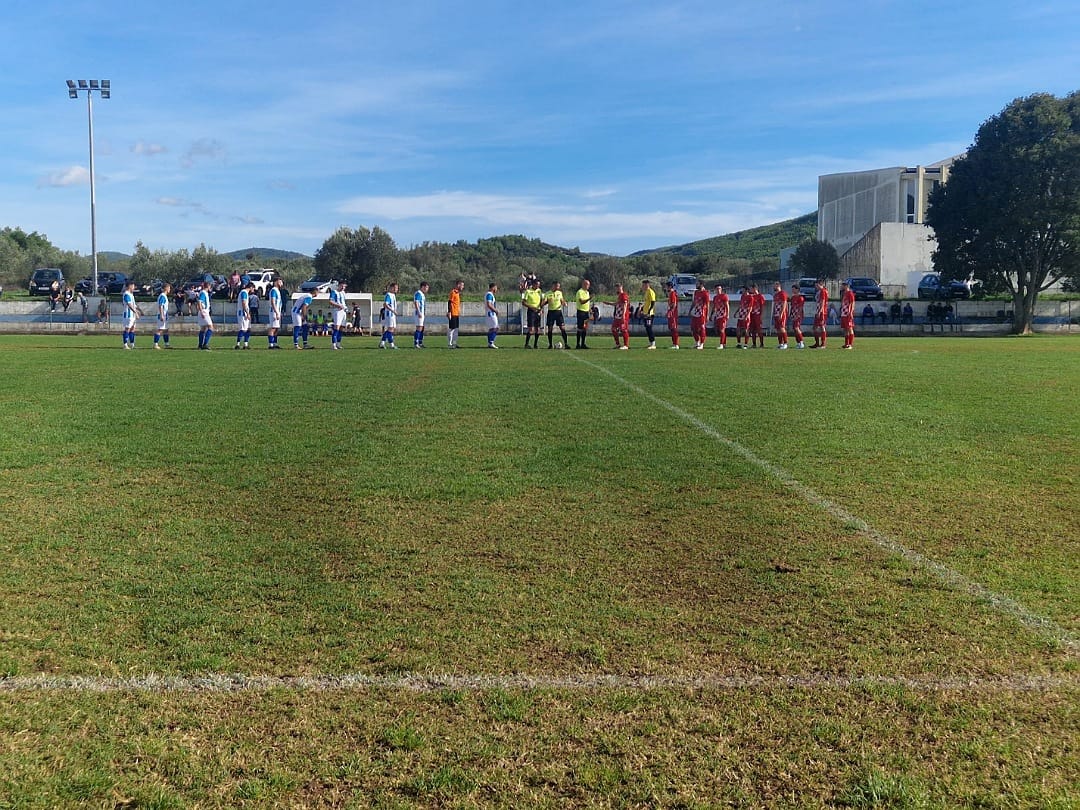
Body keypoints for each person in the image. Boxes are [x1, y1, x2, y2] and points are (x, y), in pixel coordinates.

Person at [543, 281, 569, 349]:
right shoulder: (548, 293)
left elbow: (562, 300)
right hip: (551, 312)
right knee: (550, 329)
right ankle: (550, 344)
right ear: (553, 286)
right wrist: (546, 301)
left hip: (558, 312)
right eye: (557, 286)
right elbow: (544, 302)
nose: (558, 287)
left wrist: (564, 303)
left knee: (562, 328)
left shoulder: (559, 293)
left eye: (559, 286)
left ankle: (566, 344)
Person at [605, 283, 631, 349]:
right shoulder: (619, 296)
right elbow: (617, 304)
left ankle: (626, 345)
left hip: (622, 316)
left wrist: (623, 315)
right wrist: (608, 303)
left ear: (621, 287)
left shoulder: (623, 295)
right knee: (613, 329)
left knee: (623, 330)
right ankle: (618, 344)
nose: (617, 289)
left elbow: (625, 305)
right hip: (617, 316)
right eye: (616, 288)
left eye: (618, 287)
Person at [521, 278, 543, 348]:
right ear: (533, 284)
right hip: (531, 312)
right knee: (531, 330)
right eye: (537, 285)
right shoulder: (528, 291)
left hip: (538, 311)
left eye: (539, 285)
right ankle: (526, 344)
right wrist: (531, 307)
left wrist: (541, 309)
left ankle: (535, 344)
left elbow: (541, 301)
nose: (538, 286)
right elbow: (523, 302)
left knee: (537, 329)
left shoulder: (539, 291)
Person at [379, 282, 399, 349]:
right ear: (392, 288)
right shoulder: (388, 295)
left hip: (392, 315)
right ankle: (391, 344)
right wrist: (393, 310)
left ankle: (382, 343)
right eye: (396, 288)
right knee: (390, 329)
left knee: (391, 329)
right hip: (389, 314)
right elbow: (385, 304)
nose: (397, 289)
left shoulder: (393, 295)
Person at [329, 281, 348, 350]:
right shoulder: (334, 292)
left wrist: (345, 308)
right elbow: (330, 301)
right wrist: (338, 305)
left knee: (342, 327)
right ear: (339, 285)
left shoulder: (343, 293)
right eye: (342, 286)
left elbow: (344, 302)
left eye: (344, 286)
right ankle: (333, 344)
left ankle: (338, 343)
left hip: (343, 311)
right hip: (337, 311)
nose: (343, 288)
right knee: (336, 327)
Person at [121, 281, 140, 349]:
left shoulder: (131, 294)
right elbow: (129, 305)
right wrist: (136, 312)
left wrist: (139, 311)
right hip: (128, 315)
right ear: (130, 286)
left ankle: (132, 344)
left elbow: (134, 305)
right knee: (127, 329)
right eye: (133, 286)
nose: (134, 287)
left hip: (132, 315)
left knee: (132, 329)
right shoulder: (126, 294)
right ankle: (125, 344)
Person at [153, 282, 172, 349]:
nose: (170, 289)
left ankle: (166, 344)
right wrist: (161, 315)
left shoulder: (164, 296)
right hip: (162, 315)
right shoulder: (162, 296)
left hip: (165, 315)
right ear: (166, 288)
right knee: (160, 329)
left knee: (166, 330)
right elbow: (160, 306)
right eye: (169, 288)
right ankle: (155, 344)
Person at [197, 280, 215, 350]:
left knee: (203, 328)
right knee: (210, 327)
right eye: (210, 286)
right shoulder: (203, 293)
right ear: (208, 286)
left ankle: (200, 345)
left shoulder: (204, 293)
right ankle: (205, 344)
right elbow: (199, 301)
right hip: (204, 311)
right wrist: (201, 311)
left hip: (204, 311)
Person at [574, 279, 592, 349]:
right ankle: (578, 344)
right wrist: (589, 299)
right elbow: (581, 301)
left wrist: (590, 310)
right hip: (581, 312)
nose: (588, 286)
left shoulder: (587, 292)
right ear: (584, 284)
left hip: (586, 312)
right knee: (580, 328)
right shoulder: (580, 292)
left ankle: (583, 344)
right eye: (587, 284)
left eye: (589, 285)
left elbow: (587, 303)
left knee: (585, 328)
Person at [234, 281, 252, 350]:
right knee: (243, 329)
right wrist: (247, 313)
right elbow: (244, 303)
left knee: (248, 329)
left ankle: (246, 344)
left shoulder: (244, 293)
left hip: (245, 312)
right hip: (243, 313)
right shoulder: (244, 292)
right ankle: (238, 344)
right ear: (250, 287)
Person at [267, 278, 284, 349]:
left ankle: (275, 343)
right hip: (274, 311)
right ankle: (271, 344)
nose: (281, 283)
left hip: (277, 311)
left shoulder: (278, 291)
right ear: (276, 282)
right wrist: (276, 312)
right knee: (273, 328)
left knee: (276, 328)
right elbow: (273, 302)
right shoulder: (273, 290)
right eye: (280, 281)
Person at [839, 280, 857, 349]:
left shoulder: (850, 293)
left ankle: (850, 344)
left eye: (842, 285)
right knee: (845, 329)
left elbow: (852, 303)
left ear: (846, 286)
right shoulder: (844, 293)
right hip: (844, 313)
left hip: (848, 313)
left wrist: (850, 312)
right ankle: (846, 344)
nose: (841, 287)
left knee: (850, 328)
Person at [640, 279, 657, 349]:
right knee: (647, 328)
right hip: (645, 313)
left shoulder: (650, 291)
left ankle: (653, 344)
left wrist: (649, 311)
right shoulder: (646, 292)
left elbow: (653, 302)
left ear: (647, 285)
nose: (642, 286)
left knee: (649, 328)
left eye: (643, 285)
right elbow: (647, 302)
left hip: (649, 314)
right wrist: (642, 309)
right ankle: (651, 343)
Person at [664, 281, 681, 349]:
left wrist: (670, 312)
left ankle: (676, 344)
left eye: (666, 286)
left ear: (669, 286)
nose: (665, 288)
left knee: (674, 328)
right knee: (671, 328)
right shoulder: (670, 294)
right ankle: (674, 343)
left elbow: (674, 304)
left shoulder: (672, 293)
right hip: (672, 313)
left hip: (673, 314)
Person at [711, 284, 729, 349]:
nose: (718, 290)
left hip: (723, 315)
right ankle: (724, 344)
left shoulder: (724, 296)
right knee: (720, 330)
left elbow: (727, 305)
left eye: (719, 289)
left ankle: (721, 344)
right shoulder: (715, 297)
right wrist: (711, 314)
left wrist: (727, 314)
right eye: (717, 289)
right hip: (717, 315)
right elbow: (714, 307)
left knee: (722, 330)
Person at [788, 283, 806, 349]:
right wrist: (791, 314)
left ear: (797, 290)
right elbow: (792, 307)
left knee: (796, 328)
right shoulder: (792, 298)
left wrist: (798, 315)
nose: (792, 290)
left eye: (793, 289)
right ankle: (798, 342)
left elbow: (800, 308)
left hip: (798, 315)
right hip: (793, 314)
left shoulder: (800, 298)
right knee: (795, 329)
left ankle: (801, 342)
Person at [812, 279, 828, 349]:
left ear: (820, 284)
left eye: (816, 285)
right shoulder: (819, 292)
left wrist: (820, 311)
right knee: (815, 327)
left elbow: (823, 302)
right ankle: (817, 343)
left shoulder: (823, 291)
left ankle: (823, 344)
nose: (815, 286)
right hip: (818, 311)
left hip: (822, 312)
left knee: (822, 326)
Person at [772, 282, 789, 349]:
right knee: (778, 329)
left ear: (778, 286)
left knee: (782, 328)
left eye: (774, 286)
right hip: (776, 314)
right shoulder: (775, 295)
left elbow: (784, 303)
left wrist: (781, 313)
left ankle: (785, 343)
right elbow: (775, 305)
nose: (774, 287)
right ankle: (780, 343)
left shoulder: (783, 293)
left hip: (781, 314)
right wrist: (774, 313)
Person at [447, 279, 464, 348]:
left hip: (456, 313)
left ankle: (454, 343)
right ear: (458, 285)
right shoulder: (453, 292)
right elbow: (449, 302)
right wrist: (449, 312)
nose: (463, 287)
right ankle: (449, 344)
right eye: (462, 285)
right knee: (452, 328)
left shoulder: (457, 293)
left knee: (456, 329)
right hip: (453, 313)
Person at [748, 283, 765, 348]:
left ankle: (761, 344)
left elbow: (762, 306)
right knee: (752, 330)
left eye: (751, 289)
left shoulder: (760, 296)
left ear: (755, 288)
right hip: (752, 315)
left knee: (759, 330)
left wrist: (761, 315)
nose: (750, 290)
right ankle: (754, 344)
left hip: (757, 315)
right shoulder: (751, 296)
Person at [412, 281, 429, 348]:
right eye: (426, 287)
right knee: (419, 328)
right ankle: (416, 343)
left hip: (422, 313)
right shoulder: (418, 293)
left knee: (421, 328)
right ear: (423, 287)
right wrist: (419, 312)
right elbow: (416, 302)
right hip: (418, 313)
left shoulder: (422, 294)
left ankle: (420, 342)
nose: (427, 289)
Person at [485, 282, 500, 348]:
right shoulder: (489, 294)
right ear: (493, 287)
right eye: (496, 288)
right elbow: (489, 304)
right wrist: (495, 310)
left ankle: (490, 343)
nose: (496, 289)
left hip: (491, 313)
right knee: (495, 328)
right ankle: (491, 342)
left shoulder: (490, 294)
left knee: (492, 328)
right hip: (490, 313)